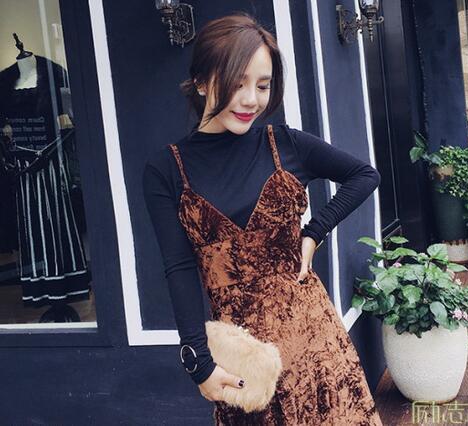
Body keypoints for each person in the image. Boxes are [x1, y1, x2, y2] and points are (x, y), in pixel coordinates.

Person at [143, 13, 383, 425]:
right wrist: (198, 362)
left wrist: (314, 233)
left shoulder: (285, 143)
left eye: (262, 85)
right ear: (201, 81)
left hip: (315, 344)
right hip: (244, 363)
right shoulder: (166, 170)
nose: (251, 100)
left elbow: (364, 175)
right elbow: (178, 267)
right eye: (236, 83)